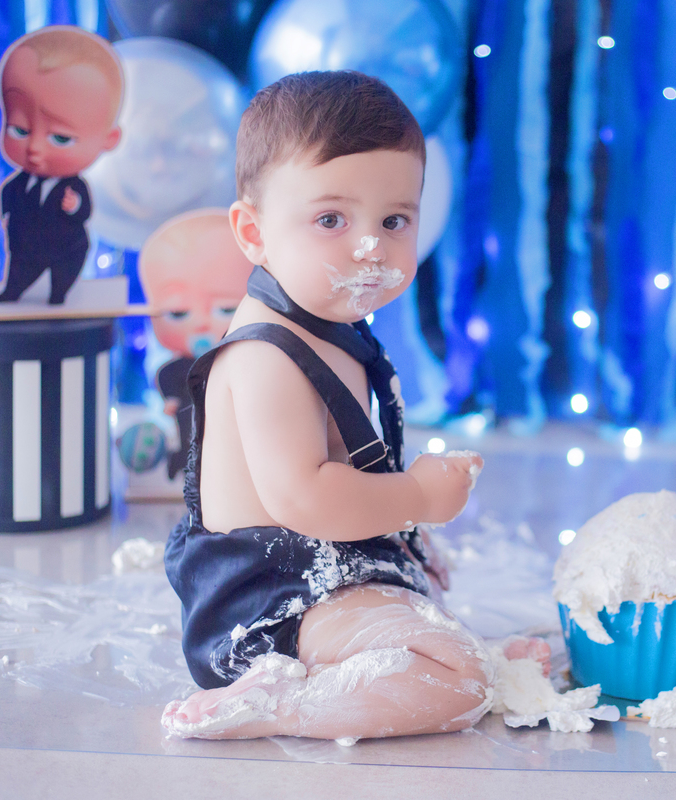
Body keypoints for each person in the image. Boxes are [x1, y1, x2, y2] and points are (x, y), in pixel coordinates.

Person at [161, 71, 548, 741]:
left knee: (433, 621)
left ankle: (390, 646)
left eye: (393, 220)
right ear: (252, 232)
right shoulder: (263, 358)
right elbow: (305, 499)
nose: (369, 247)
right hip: (265, 603)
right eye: (331, 219)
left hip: (323, 570)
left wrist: (403, 541)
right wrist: (417, 499)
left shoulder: (332, 323)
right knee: (457, 682)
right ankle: (276, 700)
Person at [0, 26, 123, 304]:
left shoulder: (75, 188)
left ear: (108, 139)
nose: (35, 148)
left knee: (64, 273)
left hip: (64, 247)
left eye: (61, 137)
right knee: (18, 273)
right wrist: (5, 213)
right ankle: (12, 290)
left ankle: (58, 294)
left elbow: (83, 211)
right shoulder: (19, 182)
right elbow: (10, 193)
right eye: (20, 130)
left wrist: (75, 206)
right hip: (24, 245)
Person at [140, 210, 255, 479]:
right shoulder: (175, 369)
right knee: (188, 441)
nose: (201, 324)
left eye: (225, 308)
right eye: (179, 313)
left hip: (237, 437)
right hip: (187, 416)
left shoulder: (245, 360)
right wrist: (170, 399)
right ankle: (183, 466)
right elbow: (167, 377)